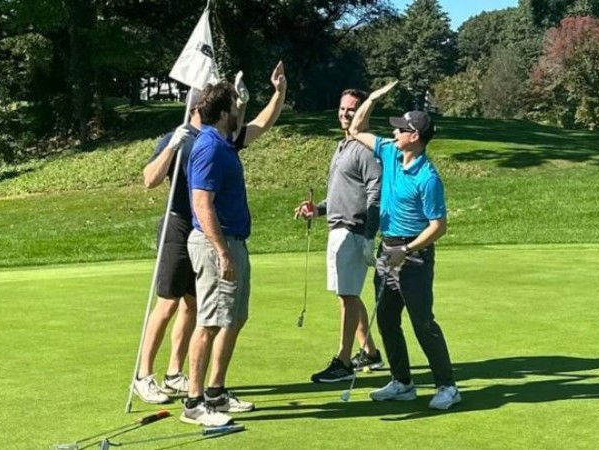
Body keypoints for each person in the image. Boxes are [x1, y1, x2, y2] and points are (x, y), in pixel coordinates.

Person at [182, 62, 287, 426]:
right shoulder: (209, 148)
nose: (241, 109)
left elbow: (260, 124)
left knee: (234, 318)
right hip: (216, 244)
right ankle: (194, 404)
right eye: (236, 105)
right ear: (225, 112)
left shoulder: (225, 142)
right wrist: (223, 252)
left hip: (232, 242)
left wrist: (279, 93)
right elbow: (201, 203)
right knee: (210, 322)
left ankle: (216, 392)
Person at [347, 81, 461, 410]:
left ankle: (448, 387)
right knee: (386, 319)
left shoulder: (428, 178)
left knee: (422, 321)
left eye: (401, 130)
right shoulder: (390, 154)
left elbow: (439, 226)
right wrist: (371, 98)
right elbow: (356, 128)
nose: (394, 133)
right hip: (388, 249)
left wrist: (407, 250)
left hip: (415, 256)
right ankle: (402, 382)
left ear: (415, 137)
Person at [294, 88, 384, 384]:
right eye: (343, 108)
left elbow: (374, 195)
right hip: (337, 229)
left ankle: (343, 361)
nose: (346, 114)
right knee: (347, 295)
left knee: (347, 296)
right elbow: (338, 195)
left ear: (363, 113)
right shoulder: (343, 145)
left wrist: (370, 236)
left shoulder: (367, 150)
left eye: (352, 109)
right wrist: (316, 210)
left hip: (354, 231)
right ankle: (369, 352)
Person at [129, 109, 202, 404]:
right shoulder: (175, 137)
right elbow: (150, 179)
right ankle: (143, 376)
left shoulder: (212, 138)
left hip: (200, 228)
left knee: (192, 304)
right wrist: (173, 144)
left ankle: (174, 374)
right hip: (176, 224)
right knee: (168, 303)